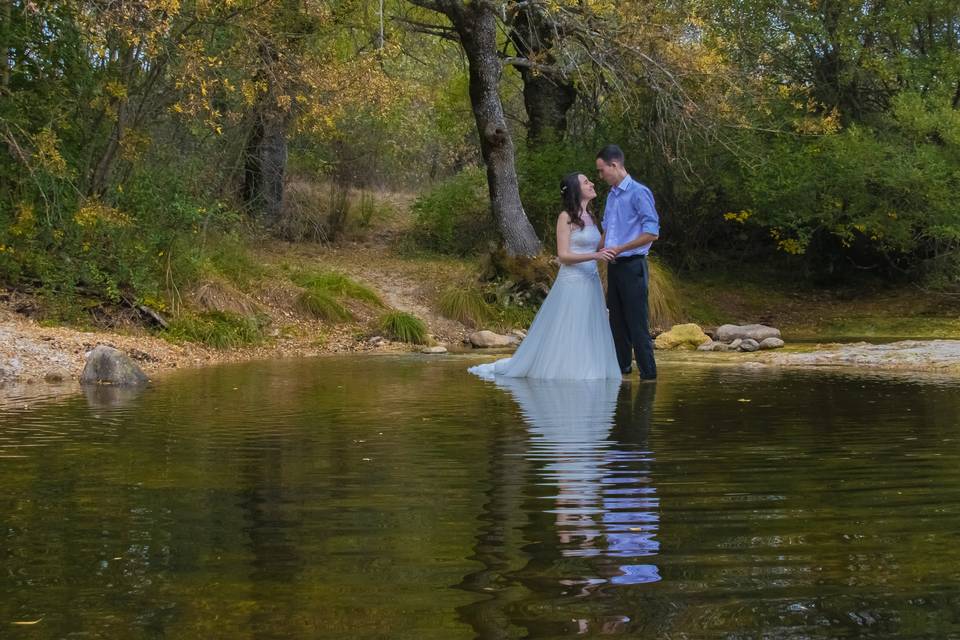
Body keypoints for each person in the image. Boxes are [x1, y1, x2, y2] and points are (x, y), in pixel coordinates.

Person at [468, 173, 621, 381]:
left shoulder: (592, 218)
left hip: (590, 281)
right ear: (576, 189)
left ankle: (588, 369)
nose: (592, 183)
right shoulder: (565, 217)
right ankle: (564, 370)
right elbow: (564, 255)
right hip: (572, 282)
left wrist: (611, 228)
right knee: (569, 326)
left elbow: (598, 247)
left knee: (588, 327)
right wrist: (596, 255)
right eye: (586, 182)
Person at [596, 144, 660, 381]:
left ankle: (649, 375)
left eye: (602, 171)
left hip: (633, 265)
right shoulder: (611, 196)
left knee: (637, 323)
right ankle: (622, 371)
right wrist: (589, 254)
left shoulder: (639, 192)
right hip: (614, 267)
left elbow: (652, 232)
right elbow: (607, 232)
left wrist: (621, 248)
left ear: (615, 165)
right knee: (617, 323)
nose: (600, 176)